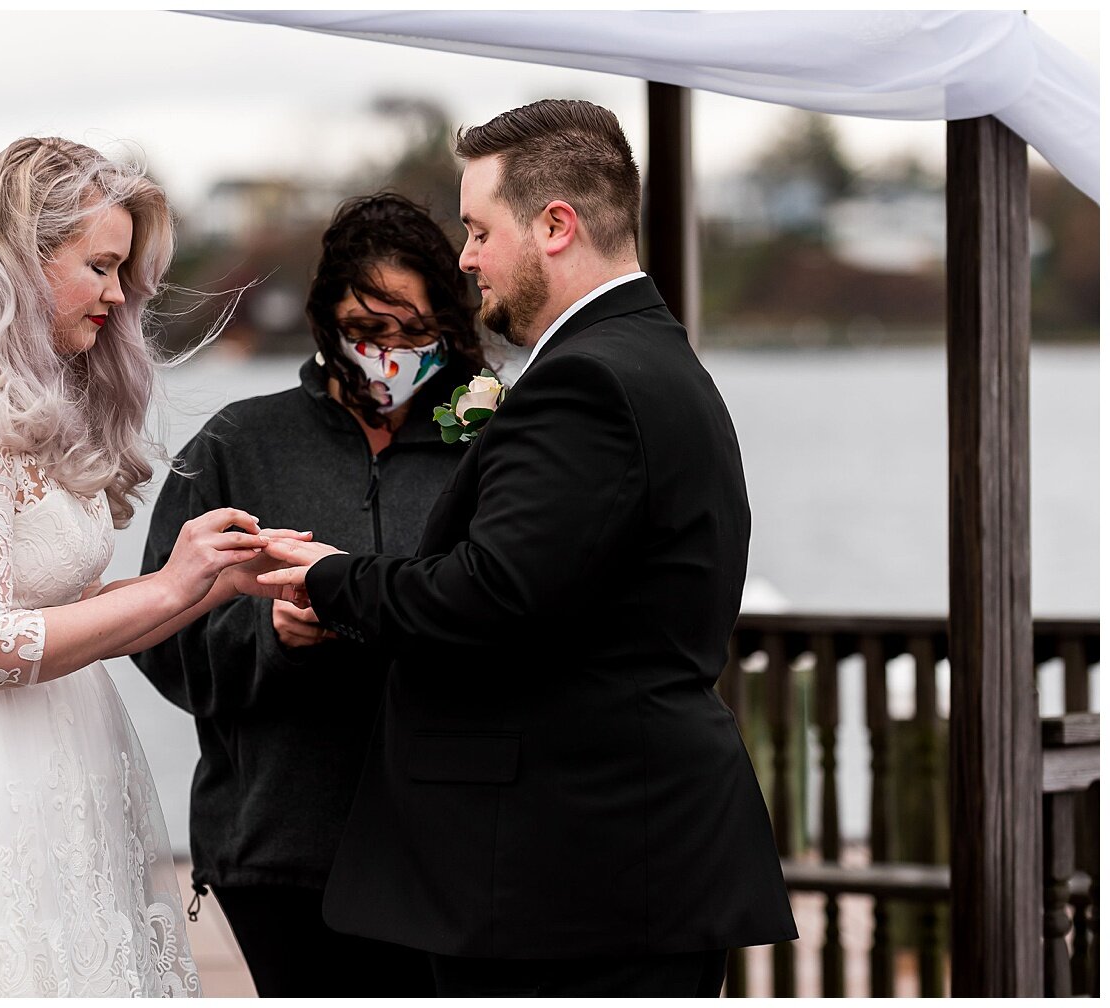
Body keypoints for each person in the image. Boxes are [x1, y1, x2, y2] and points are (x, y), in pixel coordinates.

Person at [251, 100, 798, 997]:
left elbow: (491, 596)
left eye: (477, 229)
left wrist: (331, 579)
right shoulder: (648, 358)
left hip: (573, 877)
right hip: (609, 860)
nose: (465, 258)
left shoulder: (589, 381)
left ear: (555, 225)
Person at [0, 137, 303, 997]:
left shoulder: (32, 398)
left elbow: (57, 612)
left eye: (124, 273)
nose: (115, 295)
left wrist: (209, 581)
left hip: (65, 765)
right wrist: (173, 584)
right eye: (100, 267)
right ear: (23, 255)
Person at [132, 193, 489, 996]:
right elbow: (160, 632)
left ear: (450, 330)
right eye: (365, 332)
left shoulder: (490, 445)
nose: (386, 354)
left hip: (452, 845)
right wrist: (273, 637)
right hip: (279, 848)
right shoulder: (239, 444)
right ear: (325, 321)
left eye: (412, 332)